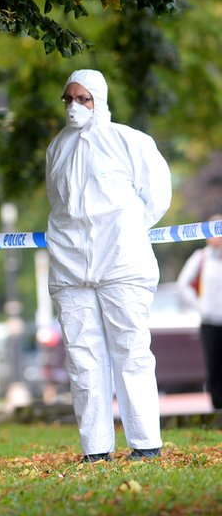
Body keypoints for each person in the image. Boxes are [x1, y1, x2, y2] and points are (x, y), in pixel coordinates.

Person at [45, 69, 172, 463]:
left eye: (82, 99)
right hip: (71, 268)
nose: (74, 106)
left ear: (98, 99)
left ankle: (146, 443)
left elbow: (156, 196)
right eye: (68, 99)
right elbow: (58, 203)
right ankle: (95, 450)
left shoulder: (129, 142)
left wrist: (124, 232)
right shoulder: (57, 148)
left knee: (131, 352)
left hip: (122, 263)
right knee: (82, 358)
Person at [178, 214, 222, 410]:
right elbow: (183, 284)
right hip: (210, 321)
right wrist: (198, 304)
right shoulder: (201, 257)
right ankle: (217, 406)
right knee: (215, 365)